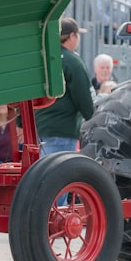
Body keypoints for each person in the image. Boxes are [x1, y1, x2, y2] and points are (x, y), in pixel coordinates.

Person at [35, 17, 94, 157]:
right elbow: (84, 99)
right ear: (72, 36)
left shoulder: (43, 58)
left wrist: (20, 123)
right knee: (57, 176)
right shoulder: (73, 62)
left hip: (39, 130)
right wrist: (93, 122)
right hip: (63, 132)